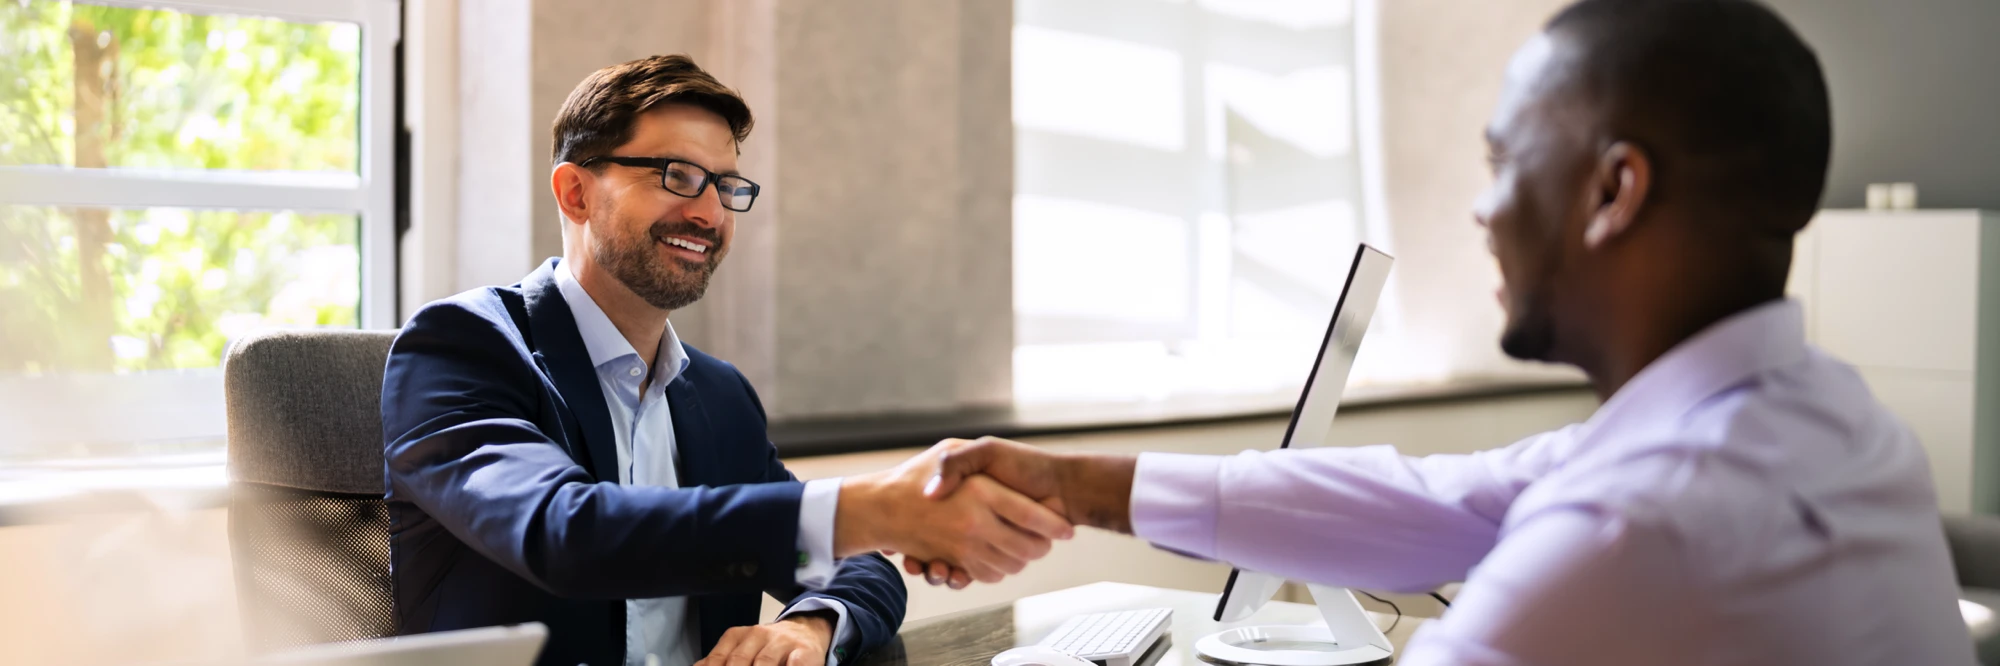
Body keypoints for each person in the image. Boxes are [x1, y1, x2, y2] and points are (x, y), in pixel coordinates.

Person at [908, 1, 1978, 664]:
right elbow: (1442, 501)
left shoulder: (1636, 532)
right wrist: (1068, 485)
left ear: (1612, 191)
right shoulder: (1830, 415)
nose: (1481, 209)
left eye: (1502, 160)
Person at [381, 55, 1071, 666]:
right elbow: (567, 534)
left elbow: (854, 570)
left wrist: (811, 625)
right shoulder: (462, 349)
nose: (711, 214)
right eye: (677, 176)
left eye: (727, 185)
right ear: (575, 192)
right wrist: (869, 505)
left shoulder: (718, 395)